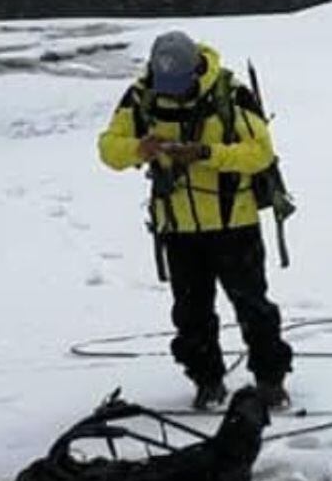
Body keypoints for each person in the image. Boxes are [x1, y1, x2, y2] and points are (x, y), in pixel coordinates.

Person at [97, 31, 293, 410]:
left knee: (253, 306)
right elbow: (108, 148)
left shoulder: (231, 93)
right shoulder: (141, 97)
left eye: (180, 86)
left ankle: (270, 381)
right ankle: (207, 381)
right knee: (191, 313)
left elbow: (260, 153)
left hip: (234, 223)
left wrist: (205, 153)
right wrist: (139, 148)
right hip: (178, 227)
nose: (174, 93)